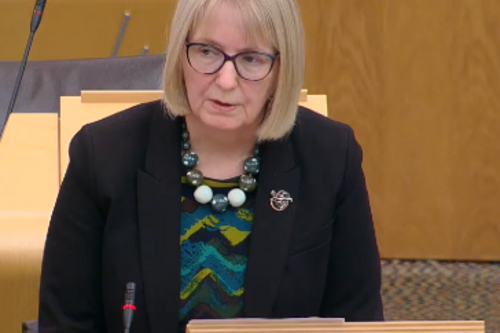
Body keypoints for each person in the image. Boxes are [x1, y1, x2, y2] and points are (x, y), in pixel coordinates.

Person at [38, 0, 384, 332]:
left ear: (282, 67)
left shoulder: (331, 157)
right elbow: (67, 322)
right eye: (207, 52)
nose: (226, 81)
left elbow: (359, 321)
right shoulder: (104, 155)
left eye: (251, 59)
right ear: (180, 53)